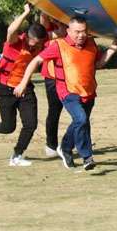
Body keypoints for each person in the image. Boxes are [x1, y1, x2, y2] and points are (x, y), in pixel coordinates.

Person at [13, 15, 117, 171]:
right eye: (77, 32)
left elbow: (98, 64)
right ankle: (87, 157)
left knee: (80, 122)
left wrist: (113, 49)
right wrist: (24, 82)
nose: (81, 35)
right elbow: (36, 61)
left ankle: (65, 148)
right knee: (81, 119)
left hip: (89, 91)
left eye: (84, 31)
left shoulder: (91, 43)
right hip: (68, 92)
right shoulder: (59, 45)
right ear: (68, 30)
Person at [0, 3, 46, 166]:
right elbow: (10, 30)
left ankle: (16, 156)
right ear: (27, 35)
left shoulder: (40, 44)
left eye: (38, 42)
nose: (34, 45)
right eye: (33, 41)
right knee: (8, 127)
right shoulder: (15, 41)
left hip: (24, 87)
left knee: (31, 124)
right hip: (4, 87)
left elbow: (47, 29)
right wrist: (25, 13)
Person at [39, 13, 67, 159]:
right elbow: (43, 20)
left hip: (71, 76)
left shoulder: (72, 26)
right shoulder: (49, 29)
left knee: (80, 111)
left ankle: (77, 142)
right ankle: (51, 145)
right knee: (54, 110)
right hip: (52, 77)